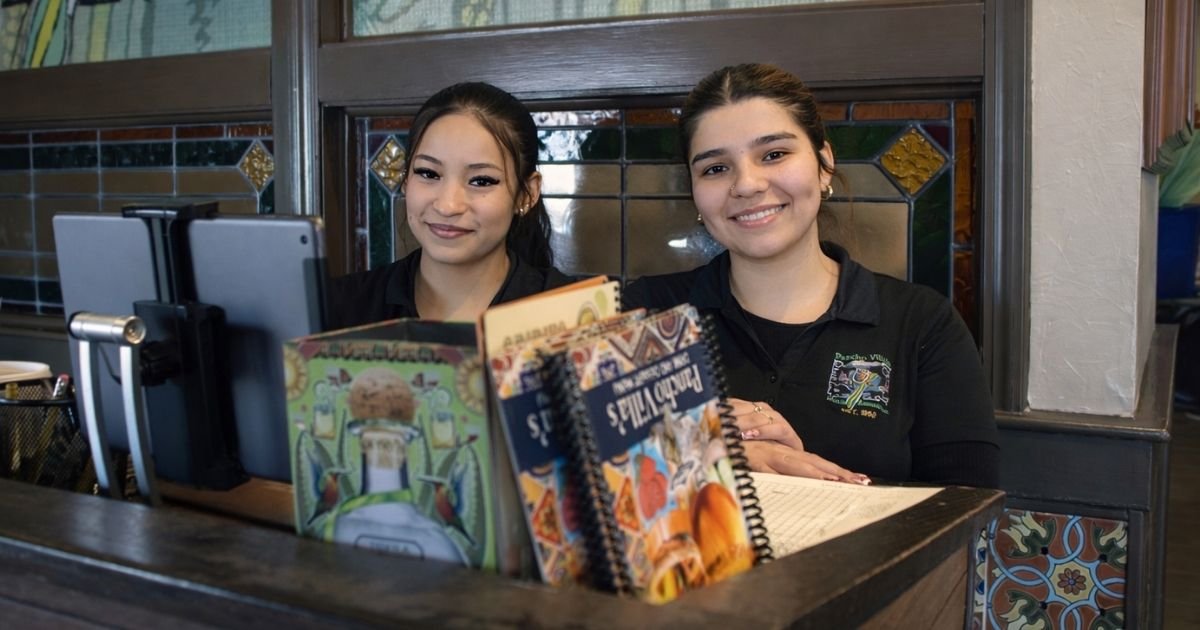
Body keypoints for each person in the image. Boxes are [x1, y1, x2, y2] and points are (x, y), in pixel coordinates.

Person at [624, 64, 999, 488]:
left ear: (824, 164)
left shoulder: (922, 323)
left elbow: (968, 504)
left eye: (774, 154)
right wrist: (702, 447)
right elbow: (590, 478)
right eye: (715, 168)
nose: (746, 184)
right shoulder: (644, 315)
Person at [326, 82, 572, 328]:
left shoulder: (575, 317)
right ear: (406, 179)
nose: (448, 206)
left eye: (481, 181)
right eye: (429, 173)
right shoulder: (336, 310)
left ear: (527, 194)